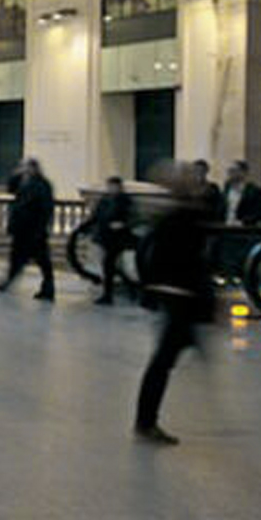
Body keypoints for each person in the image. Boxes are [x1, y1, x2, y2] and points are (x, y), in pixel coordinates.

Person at [133, 163, 215, 445]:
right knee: (162, 361)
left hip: (179, 296)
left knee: (164, 358)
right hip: (178, 296)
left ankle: (146, 420)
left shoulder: (182, 214)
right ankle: (146, 421)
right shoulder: (181, 216)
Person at [0, 158, 56, 300]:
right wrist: (15, 174)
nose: (25, 170)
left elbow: (46, 208)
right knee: (18, 257)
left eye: (27, 167)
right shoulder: (24, 181)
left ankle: (48, 289)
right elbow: (10, 189)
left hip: (34, 229)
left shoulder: (42, 185)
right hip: (22, 229)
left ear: (34, 168)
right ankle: (8, 282)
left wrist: (43, 227)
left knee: (42, 261)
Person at [91, 175, 137, 306]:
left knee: (109, 264)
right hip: (106, 236)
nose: (111, 188)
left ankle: (108, 295)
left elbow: (132, 217)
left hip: (118, 238)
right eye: (110, 186)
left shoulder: (125, 200)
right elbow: (97, 215)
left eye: (113, 186)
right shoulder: (105, 199)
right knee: (110, 266)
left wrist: (123, 224)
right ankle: (128, 287)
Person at [222, 161, 261, 225]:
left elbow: (259, 213)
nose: (230, 173)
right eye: (229, 170)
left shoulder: (254, 191)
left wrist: (244, 222)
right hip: (225, 227)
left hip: (244, 229)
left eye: (234, 170)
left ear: (243, 173)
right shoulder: (226, 189)